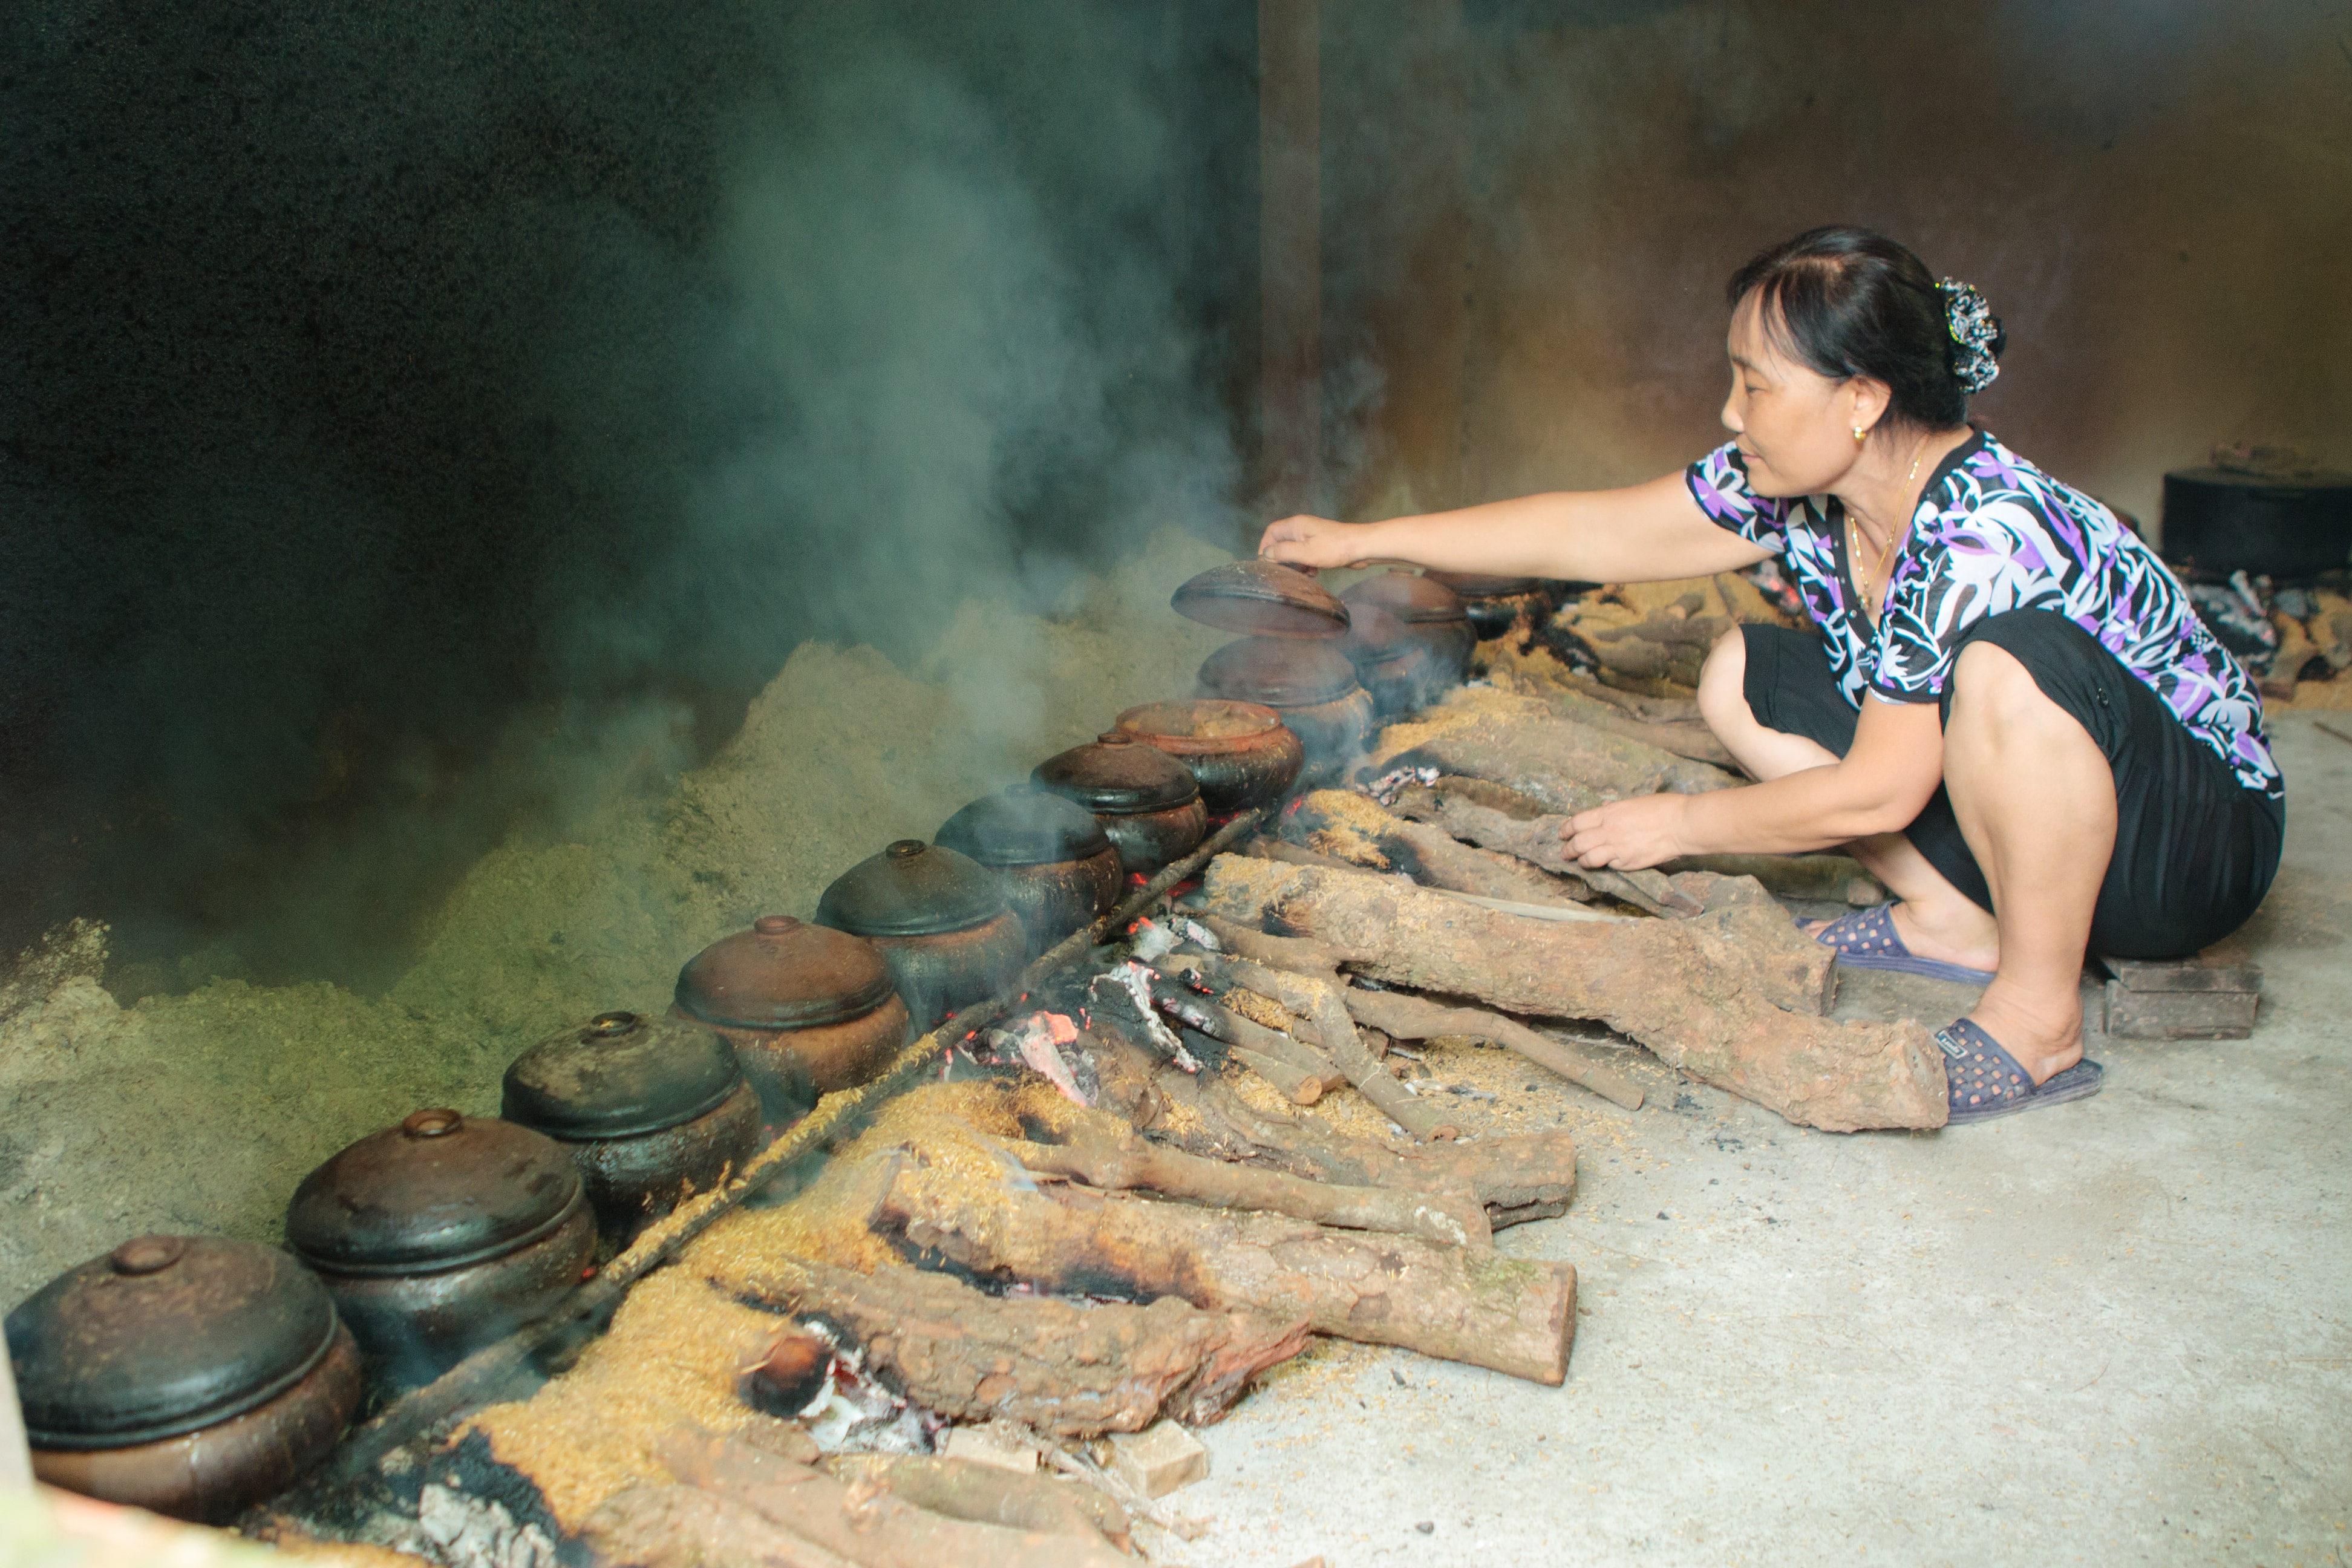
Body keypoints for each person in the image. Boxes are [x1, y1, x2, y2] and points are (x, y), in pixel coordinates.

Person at [1258, 226, 2283, 1125]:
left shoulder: (1986, 530)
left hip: (2184, 847)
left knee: (2008, 669)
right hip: (2037, 815)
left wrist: (1676, 827)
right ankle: (1956, 921)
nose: (1730, 411)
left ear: (1863, 400)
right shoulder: (1798, 490)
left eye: (1755, 384)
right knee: (1743, 669)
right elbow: (1599, 528)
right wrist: (1365, 538)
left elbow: (1884, 786)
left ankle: (2038, 1018)